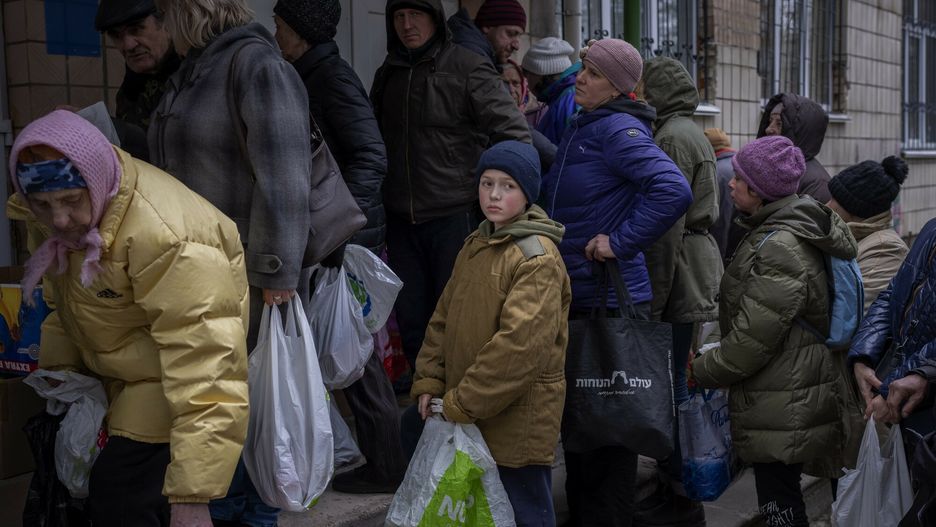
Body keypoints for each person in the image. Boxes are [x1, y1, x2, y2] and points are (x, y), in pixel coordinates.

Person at [7, 110, 248, 527]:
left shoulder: (167, 236)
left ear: (96, 182)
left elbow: (207, 362)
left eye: (70, 201)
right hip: (117, 375)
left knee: (121, 499)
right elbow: (62, 303)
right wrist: (61, 377)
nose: (59, 220)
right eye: (43, 205)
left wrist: (193, 495)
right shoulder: (54, 223)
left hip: (168, 378)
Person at [148, 1, 314, 525]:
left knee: (248, 426)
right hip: (194, 279)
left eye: (160, 13)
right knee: (220, 417)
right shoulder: (191, 72)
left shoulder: (255, 64)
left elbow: (286, 174)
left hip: (247, 280)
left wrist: (277, 273)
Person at [540, 38, 693, 527]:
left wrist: (618, 242)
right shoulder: (585, 125)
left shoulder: (620, 130)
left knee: (609, 439)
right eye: (582, 68)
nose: (580, 77)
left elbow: (673, 189)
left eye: (593, 72)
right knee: (586, 435)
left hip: (607, 301)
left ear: (618, 88)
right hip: (581, 296)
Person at [271, 0, 407, 494]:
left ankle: (386, 464)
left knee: (355, 352)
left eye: (280, 25)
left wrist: (342, 222)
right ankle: (370, 457)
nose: (276, 33)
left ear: (302, 31)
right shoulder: (306, 72)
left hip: (341, 239)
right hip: (330, 236)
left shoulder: (330, 77)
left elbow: (371, 154)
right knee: (347, 348)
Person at [691, 135, 857, 527]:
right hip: (789, 388)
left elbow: (752, 340)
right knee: (779, 498)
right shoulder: (783, 228)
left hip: (784, 396)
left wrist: (702, 369)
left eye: (740, 179)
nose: (730, 182)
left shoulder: (780, 244)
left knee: (779, 504)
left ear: (761, 191)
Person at [406, 140, 570, 526]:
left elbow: (518, 348)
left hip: (516, 420)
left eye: (508, 186)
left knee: (523, 511)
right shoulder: (477, 244)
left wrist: (462, 402)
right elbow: (442, 319)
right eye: (487, 183)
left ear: (528, 193)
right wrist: (430, 377)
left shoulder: (536, 258)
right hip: (469, 411)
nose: (494, 194)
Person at [371, 0, 531, 373]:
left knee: (460, 321)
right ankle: (426, 408)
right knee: (413, 323)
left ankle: (460, 405)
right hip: (400, 219)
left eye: (416, 15)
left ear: (435, 18)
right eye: (398, 16)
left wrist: (495, 196)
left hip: (453, 217)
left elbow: (515, 135)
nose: (407, 24)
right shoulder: (388, 73)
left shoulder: (467, 66)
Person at [638, 55, 721, 524]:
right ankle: (679, 490)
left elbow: (667, 218)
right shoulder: (691, 130)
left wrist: (655, 294)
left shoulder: (671, 136)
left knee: (672, 387)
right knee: (678, 381)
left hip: (682, 265)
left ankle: (678, 494)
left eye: (647, 88)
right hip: (697, 259)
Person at [849, 216, 936, 433]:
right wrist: (863, 354)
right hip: (905, 398)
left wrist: (894, 386)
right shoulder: (931, 228)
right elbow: (893, 293)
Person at [95, 0, 180, 157]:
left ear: (168, 23)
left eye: (136, 29)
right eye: (116, 35)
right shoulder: (131, 87)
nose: (128, 45)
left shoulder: (196, 78)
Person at [828, 156, 910, 311]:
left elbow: (853, 316)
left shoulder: (885, 249)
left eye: (835, 198)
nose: (827, 205)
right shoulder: (852, 237)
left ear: (854, 208)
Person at [757, 93, 832, 203]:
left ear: (800, 131)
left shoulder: (817, 184)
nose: (769, 129)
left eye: (779, 123)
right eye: (769, 121)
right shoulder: (767, 167)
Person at [522, 37, 580, 145]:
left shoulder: (569, 101)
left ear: (539, 74)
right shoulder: (562, 97)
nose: (526, 83)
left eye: (527, 74)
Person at [705, 128, 743, 262]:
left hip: (723, 251)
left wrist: (717, 259)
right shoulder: (740, 165)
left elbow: (721, 221)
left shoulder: (715, 172)